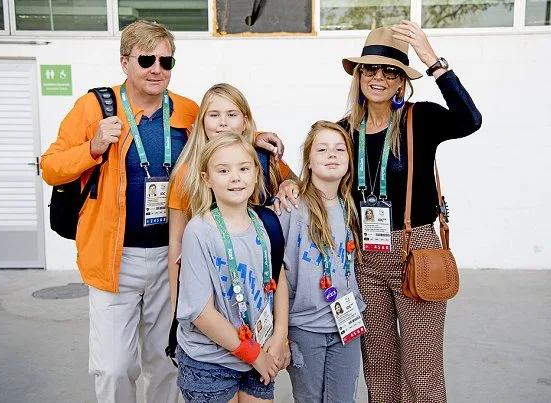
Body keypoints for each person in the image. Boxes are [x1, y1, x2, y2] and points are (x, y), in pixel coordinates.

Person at [40, 20, 284, 403]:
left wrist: (253, 138)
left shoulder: (185, 110)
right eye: (146, 59)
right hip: (113, 257)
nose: (157, 69)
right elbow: (50, 166)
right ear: (125, 63)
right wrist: (91, 147)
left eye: (166, 61)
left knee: (165, 361)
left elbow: (219, 133)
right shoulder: (94, 107)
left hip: (174, 257)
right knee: (114, 366)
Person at [276, 22, 482, 403]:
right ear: (358, 76)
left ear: (402, 82)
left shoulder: (421, 119)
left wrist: (433, 61)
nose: (379, 76)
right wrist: (290, 182)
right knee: (379, 368)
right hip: (361, 257)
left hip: (414, 250)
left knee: (421, 369)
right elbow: (317, 174)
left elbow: (470, 120)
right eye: (370, 68)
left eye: (391, 71)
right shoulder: (342, 132)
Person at [176, 133, 289, 403]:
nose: (235, 177)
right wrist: (255, 355)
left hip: (258, 353)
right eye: (223, 170)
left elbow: (278, 279)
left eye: (243, 168)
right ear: (207, 179)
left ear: (256, 173)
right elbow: (201, 314)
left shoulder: (265, 224)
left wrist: (280, 335)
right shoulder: (199, 232)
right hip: (211, 361)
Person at [167, 83, 296, 312]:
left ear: (245, 120)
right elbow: (176, 242)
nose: (223, 122)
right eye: (214, 115)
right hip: (212, 281)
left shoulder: (263, 159)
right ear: (201, 122)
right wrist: (177, 308)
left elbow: (301, 184)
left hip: (260, 277)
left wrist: (288, 183)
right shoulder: (186, 174)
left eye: (232, 115)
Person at [277, 121, 366, 403]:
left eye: (340, 149)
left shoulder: (351, 205)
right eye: (322, 149)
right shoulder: (290, 206)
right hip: (304, 328)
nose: (332, 154)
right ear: (309, 160)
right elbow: (274, 268)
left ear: (350, 161)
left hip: (347, 325)